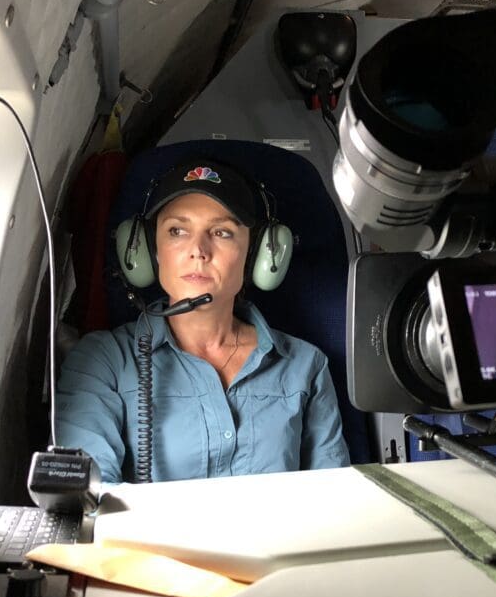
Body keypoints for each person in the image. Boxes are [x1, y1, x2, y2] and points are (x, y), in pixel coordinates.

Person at [57, 157, 350, 484]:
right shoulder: (103, 361)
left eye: (222, 232)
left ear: (258, 255)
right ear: (149, 251)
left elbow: (333, 502)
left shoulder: (306, 366)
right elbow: (87, 497)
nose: (198, 250)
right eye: (177, 230)